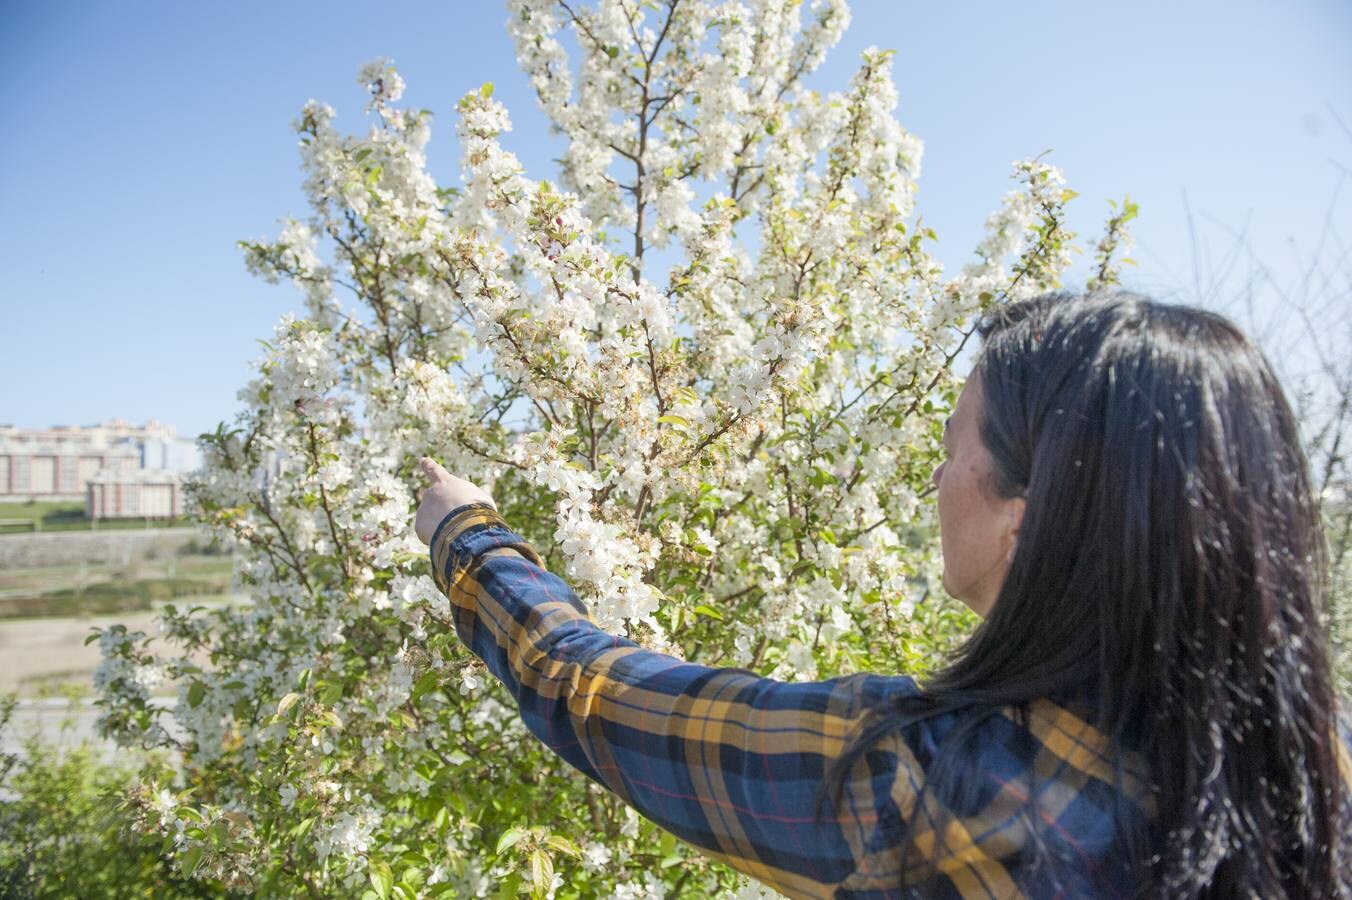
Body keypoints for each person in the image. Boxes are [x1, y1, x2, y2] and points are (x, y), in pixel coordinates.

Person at [413, 292, 1351, 898]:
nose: (933, 482)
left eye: (951, 448)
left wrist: (470, 535)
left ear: (1027, 520)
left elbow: (601, 699)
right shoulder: (1321, 759)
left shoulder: (931, 784)